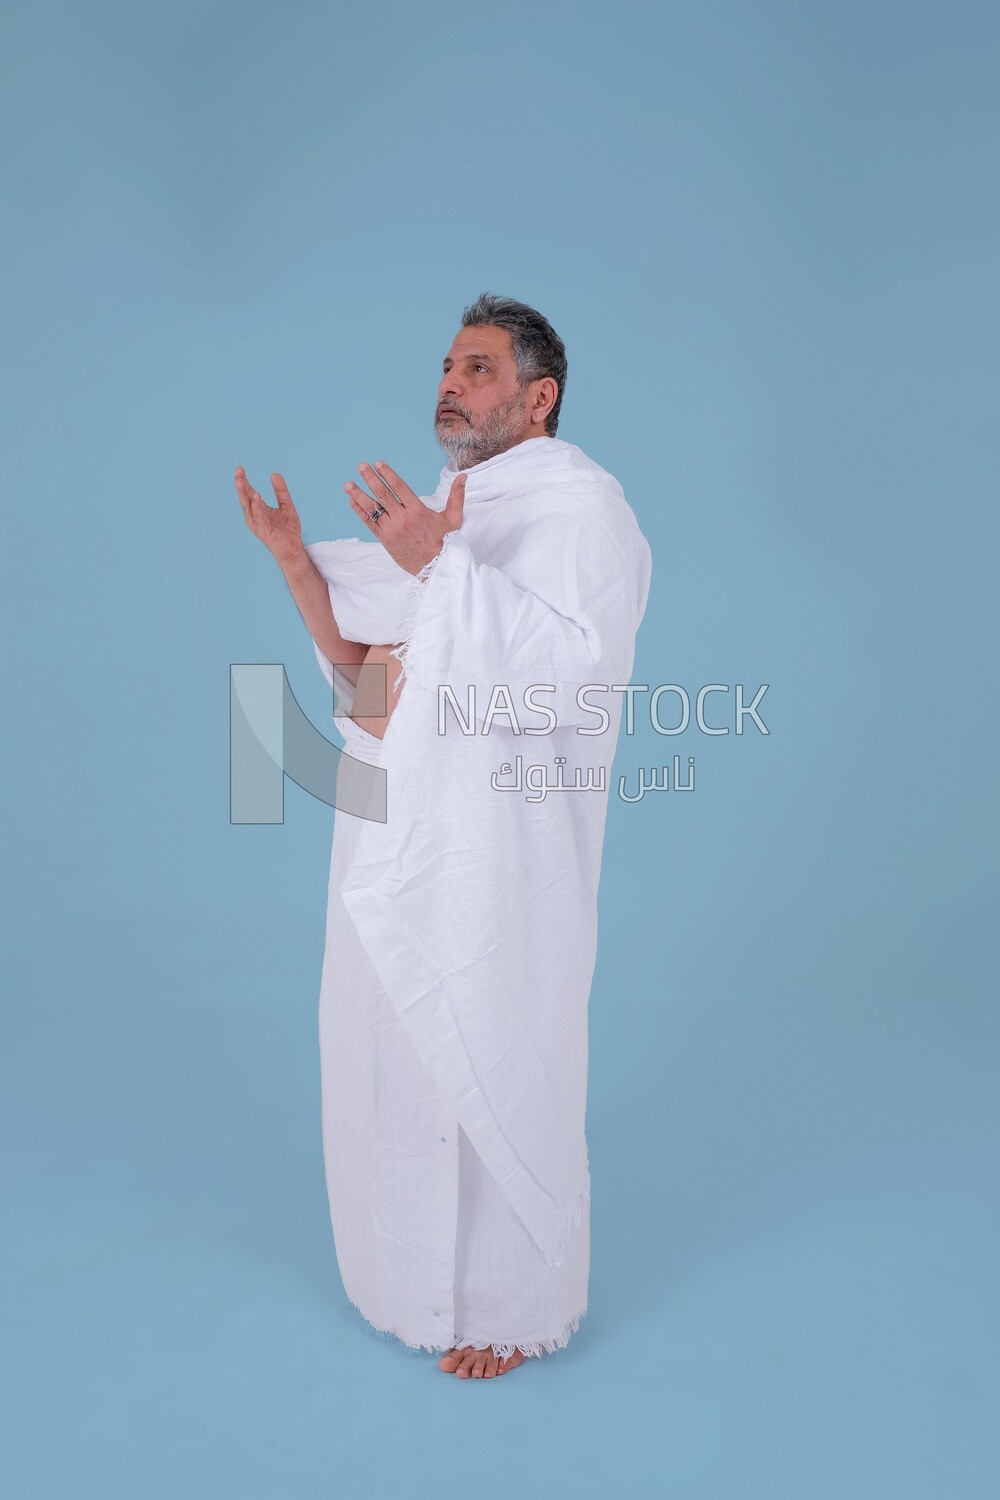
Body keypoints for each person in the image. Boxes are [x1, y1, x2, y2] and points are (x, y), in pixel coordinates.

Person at [234, 293, 652, 1380]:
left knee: (498, 1027)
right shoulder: (446, 510)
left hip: (500, 842)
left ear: (537, 395)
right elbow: (367, 677)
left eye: (475, 368)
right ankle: (406, 1278)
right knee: (393, 1044)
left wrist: (438, 567)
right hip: (402, 822)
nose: (449, 384)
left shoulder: (582, 511)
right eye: (446, 366)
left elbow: (573, 674)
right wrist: (295, 564)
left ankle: (514, 1305)